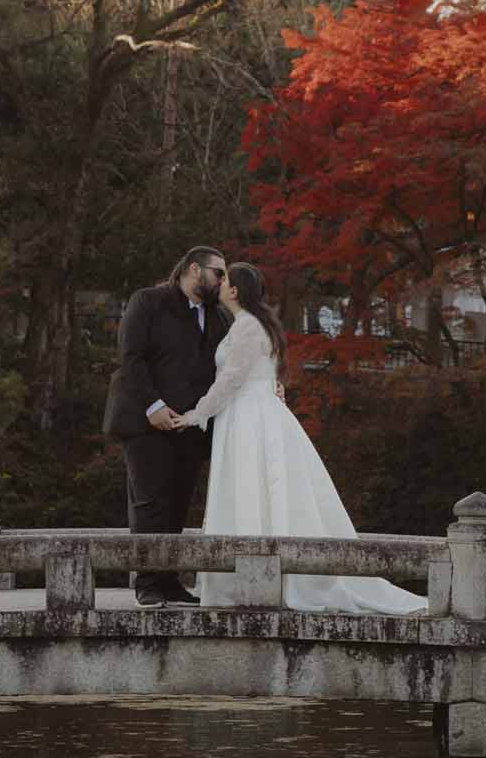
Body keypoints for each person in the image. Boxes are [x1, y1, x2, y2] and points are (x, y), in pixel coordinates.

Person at [176, 263, 424, 614]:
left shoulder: (249, 327)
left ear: (235, 291)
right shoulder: (249, 325)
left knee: (256, 487)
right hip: (250, 413)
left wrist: (197, 413)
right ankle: (251, 575)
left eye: (226, 279)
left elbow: (231, 378)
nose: (220, 283)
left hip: (251, 418)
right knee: (256, 490)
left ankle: (264, 578)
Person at [102, 246, 228, 606]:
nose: (223, 280)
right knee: (150, 502)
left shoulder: (218, 317)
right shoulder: (149, 302)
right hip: (145, 422)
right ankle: (147, 583)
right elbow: (131, 356)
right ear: (193, 269)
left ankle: (170, 580)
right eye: (218, 272)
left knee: (177, 506)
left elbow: (231, 367)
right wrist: (152, 404)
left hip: (190, 426)